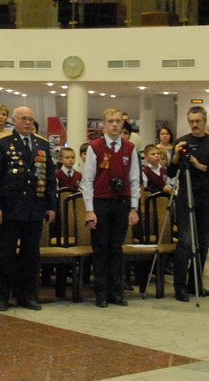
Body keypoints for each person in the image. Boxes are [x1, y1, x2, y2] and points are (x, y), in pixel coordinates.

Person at [0, 105, 58, 310]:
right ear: (15, 121)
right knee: (5, 253)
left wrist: (51, 206)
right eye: (23, 118)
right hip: (10, 208)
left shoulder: (42, 145)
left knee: (31, 254)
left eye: (30, 119)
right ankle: (2, 296)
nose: (27, 122)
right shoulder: (2, 144)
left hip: (35, 207)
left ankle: (27, 295)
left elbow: (50, 177)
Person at [80, 108, 137, 308]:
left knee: (116, 249)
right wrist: (89, 210)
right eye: (110, 121)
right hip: (100, 203)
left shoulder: (130, 148)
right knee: (101, 249)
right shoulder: (95, 147)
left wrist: (134, 208)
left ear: (122, 124)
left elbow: (134, 179)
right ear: (103, 124)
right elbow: (87, 180)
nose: (114, 124)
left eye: (118, 121)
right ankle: (101, 293)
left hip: (122, 203)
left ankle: (116, 292)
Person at [168, 106, 209, 301]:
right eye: (191, 121)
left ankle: (196, 284)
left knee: (203, 242)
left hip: (207, 195)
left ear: (205, 120)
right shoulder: (182, 141)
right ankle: (179, 286)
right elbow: (170, 173)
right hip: (186, 195)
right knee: (185, 242)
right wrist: (176, 157)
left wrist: (200, 166)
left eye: (197, 121)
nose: (194, 124)